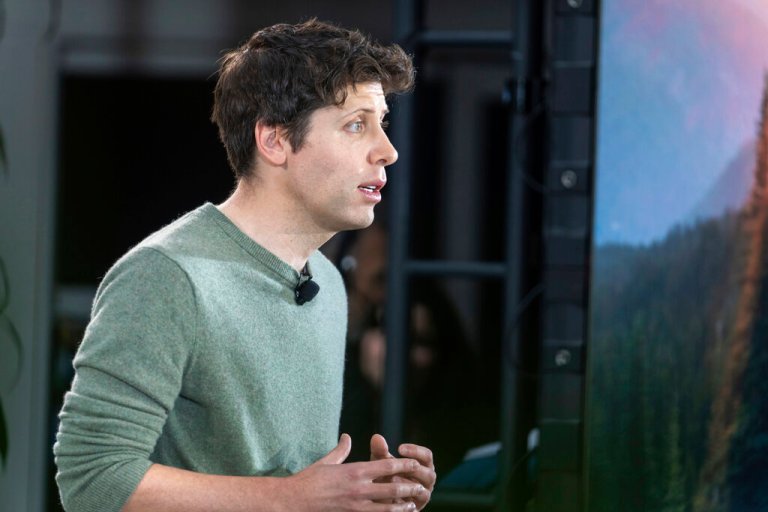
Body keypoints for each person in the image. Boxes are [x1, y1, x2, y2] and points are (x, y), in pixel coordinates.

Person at [54, 19, 436, 512]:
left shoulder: (326, 283)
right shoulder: (168, 276)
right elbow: (92, 479)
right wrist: (291, 498)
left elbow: (283, 490)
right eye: (356, 124)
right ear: (275, 141)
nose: (388, 150)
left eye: (382, 123)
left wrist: (364, 494)